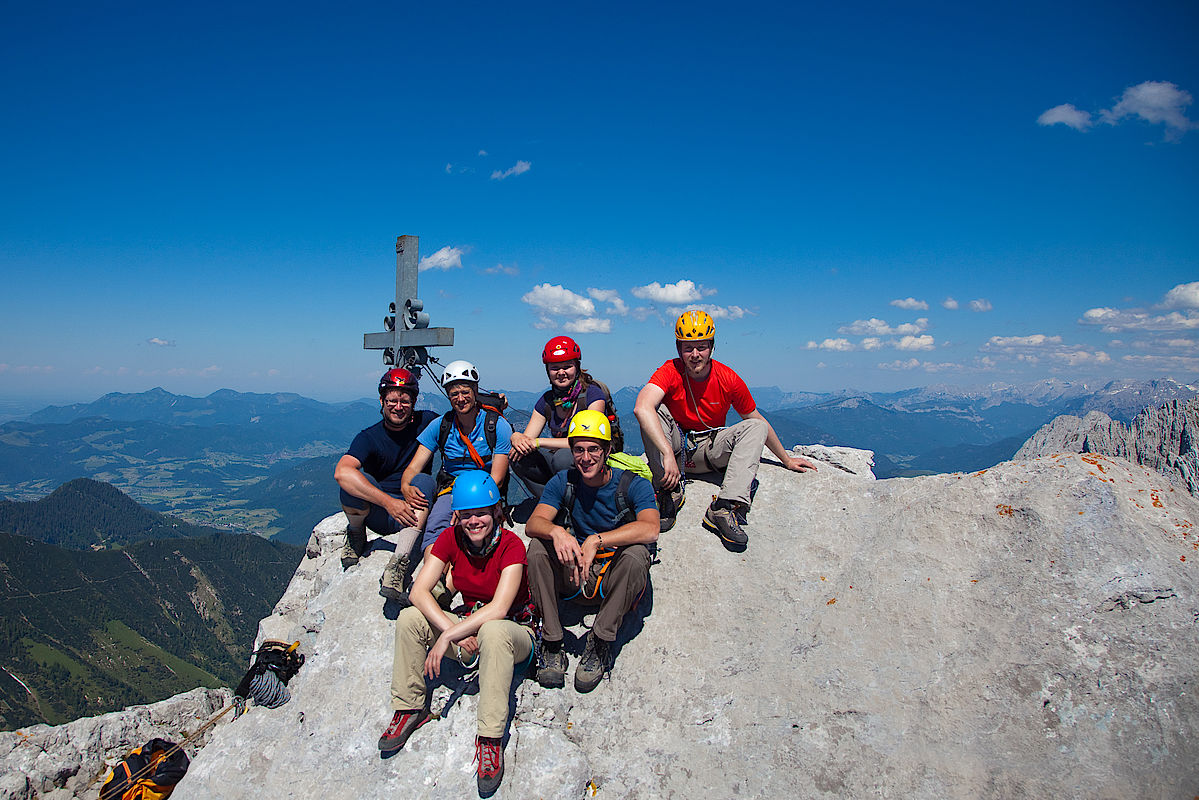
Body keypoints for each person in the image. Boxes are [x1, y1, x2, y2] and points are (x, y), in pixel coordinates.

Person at [378, 471, 533, 797]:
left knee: (492, 630)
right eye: (466, 514)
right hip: (469, 630)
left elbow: (500, 609)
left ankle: (490, 739)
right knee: (410, 618)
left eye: (481, 513)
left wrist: (448, 637)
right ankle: (410, 707)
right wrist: (454, 630)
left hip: (514, 634)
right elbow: (419, 591)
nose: (474, 521)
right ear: (456, 516)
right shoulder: (451, 538)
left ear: (497, 512)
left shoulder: (512, 546)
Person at [633, 309, 817, 548]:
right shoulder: (670, 371)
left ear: (712, 347)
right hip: (676, 452)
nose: (695, 354)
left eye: (702, 347)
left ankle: (724, 507)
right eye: (689, 347)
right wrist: (667, 453)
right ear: (679, 349)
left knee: (755, 427)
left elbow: (756, 419)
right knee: (653, 411)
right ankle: (669, 491)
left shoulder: (727, 378)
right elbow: (641, 407)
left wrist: (786, 460)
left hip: (709, 450)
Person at [524, 409, 659, 693]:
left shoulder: (632, 484)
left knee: (636, 556)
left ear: (607, 450)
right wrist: (557, 532)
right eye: (579, 450)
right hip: (573, 575)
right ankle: (552, 641)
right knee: (537, 547)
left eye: (594, 449)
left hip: (611, 576)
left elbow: (650, 529)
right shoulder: (564, 482)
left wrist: (597, 539)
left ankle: (600, 641)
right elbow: (535, 523)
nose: (586, 458)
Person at [400, 360, 513, 600]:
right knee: (437, 528)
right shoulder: (441, 426)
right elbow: (414, 468)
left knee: (472, 535)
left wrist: (467, 507)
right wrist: (405, 485)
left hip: (485, 494)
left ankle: (442, 588)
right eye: (454, 394)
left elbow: (498, 478)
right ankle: (438, 579)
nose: (460, 398)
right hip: (451, 489)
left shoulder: (497, 425)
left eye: (465, 392)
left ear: (475, 391)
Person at [334, 368, 439, 598]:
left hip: (415, 513)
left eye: (404, 400)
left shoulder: (427, 422)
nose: (398, 406)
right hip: (381, 514)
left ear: (413, 402)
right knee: (354, 484)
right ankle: (356, 532)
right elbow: (342, 472)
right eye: (392, 400)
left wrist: (488, 401)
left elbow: (461, 415)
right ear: (382, 401)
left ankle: (398, 564)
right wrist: (389, 503)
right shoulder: (369, 437)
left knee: (423, 480)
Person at [509, 335, 612, 499]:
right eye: (555, 368)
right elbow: (527, 439)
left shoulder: (592, 395)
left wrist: (538, 442)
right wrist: (516, 438)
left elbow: (588, 442)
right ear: (548, 371)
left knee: (562, 458)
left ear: (577, 367)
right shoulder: (547, 400)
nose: (561, 372)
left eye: (567, 366)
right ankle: (552, 501)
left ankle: (579, 502)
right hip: (561, 463)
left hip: (590, 459)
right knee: (519, 456)